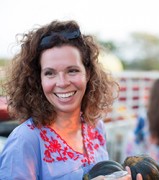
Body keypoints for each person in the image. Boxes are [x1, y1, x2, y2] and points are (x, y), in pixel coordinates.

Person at [0, 20, 142, 180]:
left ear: (88, 73)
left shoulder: (96, 127)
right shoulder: (25, 140)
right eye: (49, 73)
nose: (62, 83)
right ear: (37, 79)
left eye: (72, 71)